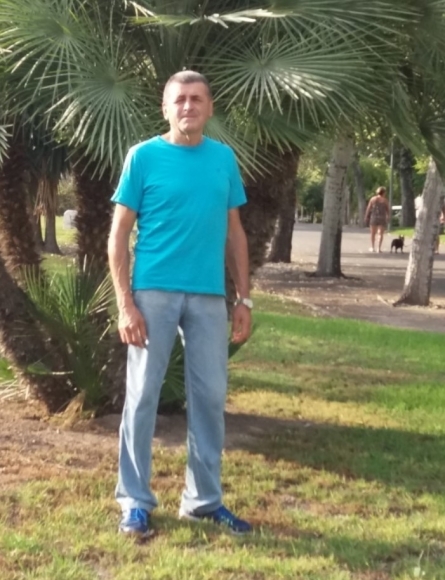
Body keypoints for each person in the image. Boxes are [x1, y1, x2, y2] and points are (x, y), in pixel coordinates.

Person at [108, 70, 253, 539]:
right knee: (143, 397)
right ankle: (134, 502)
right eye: (180, 99)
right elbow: (118, 234)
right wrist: (125, 304)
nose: (188, 106)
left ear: (210, 108)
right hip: (153, 293)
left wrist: (244, 297)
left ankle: (203, 502)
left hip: (209, 296)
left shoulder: (223, 159)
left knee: (209, 398)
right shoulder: (143, 156)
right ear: (166, 108)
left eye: (196, 99)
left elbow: (235, 233)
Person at [364, 186, 390, 253]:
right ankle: (379, 248)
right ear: (383, 193)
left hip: (374, 217)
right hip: (382, 217)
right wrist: (388, 216)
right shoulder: (385, 200)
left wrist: (366, 216)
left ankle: (372, 247)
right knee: (380, 234)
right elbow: (388, 210)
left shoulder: (373, 199)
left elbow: (368, 208)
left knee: (373, 233)